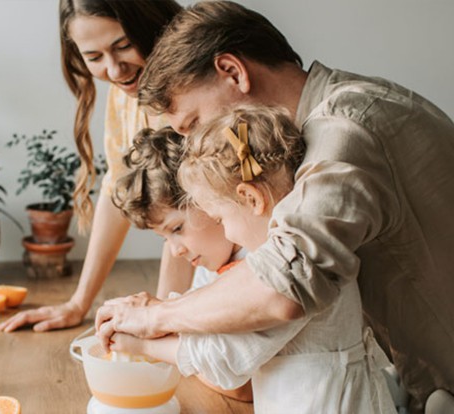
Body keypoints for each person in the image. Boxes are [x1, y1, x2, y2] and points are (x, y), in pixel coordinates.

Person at [94, 1, 454, 412]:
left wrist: (156, 316)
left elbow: (283, 284)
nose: (194, 147)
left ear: (233, 72)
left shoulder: (345, 130)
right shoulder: (322, 129)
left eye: (193, 125)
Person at [112, 105, 396, 413]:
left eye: (220, 218)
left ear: (250, 198)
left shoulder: (285, 268)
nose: (228, 233)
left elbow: (227, 355)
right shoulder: (272, 253)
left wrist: (143, 346)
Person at [0, 0, 189, 333]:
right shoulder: (125, 91)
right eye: (94, 58)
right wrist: (78, 303)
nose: (115, 71)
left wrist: (163, 318)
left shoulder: (191, 88)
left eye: (124, 46)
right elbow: (117, 189)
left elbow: (187, 213)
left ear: (151, 22)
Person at [110, 126, 252, 402]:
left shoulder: (258, 259)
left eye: (176, 228)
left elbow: (240, 386)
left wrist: (144, 345)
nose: (175, 251)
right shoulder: (209, 267)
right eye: (164, 238)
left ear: (211, 197)